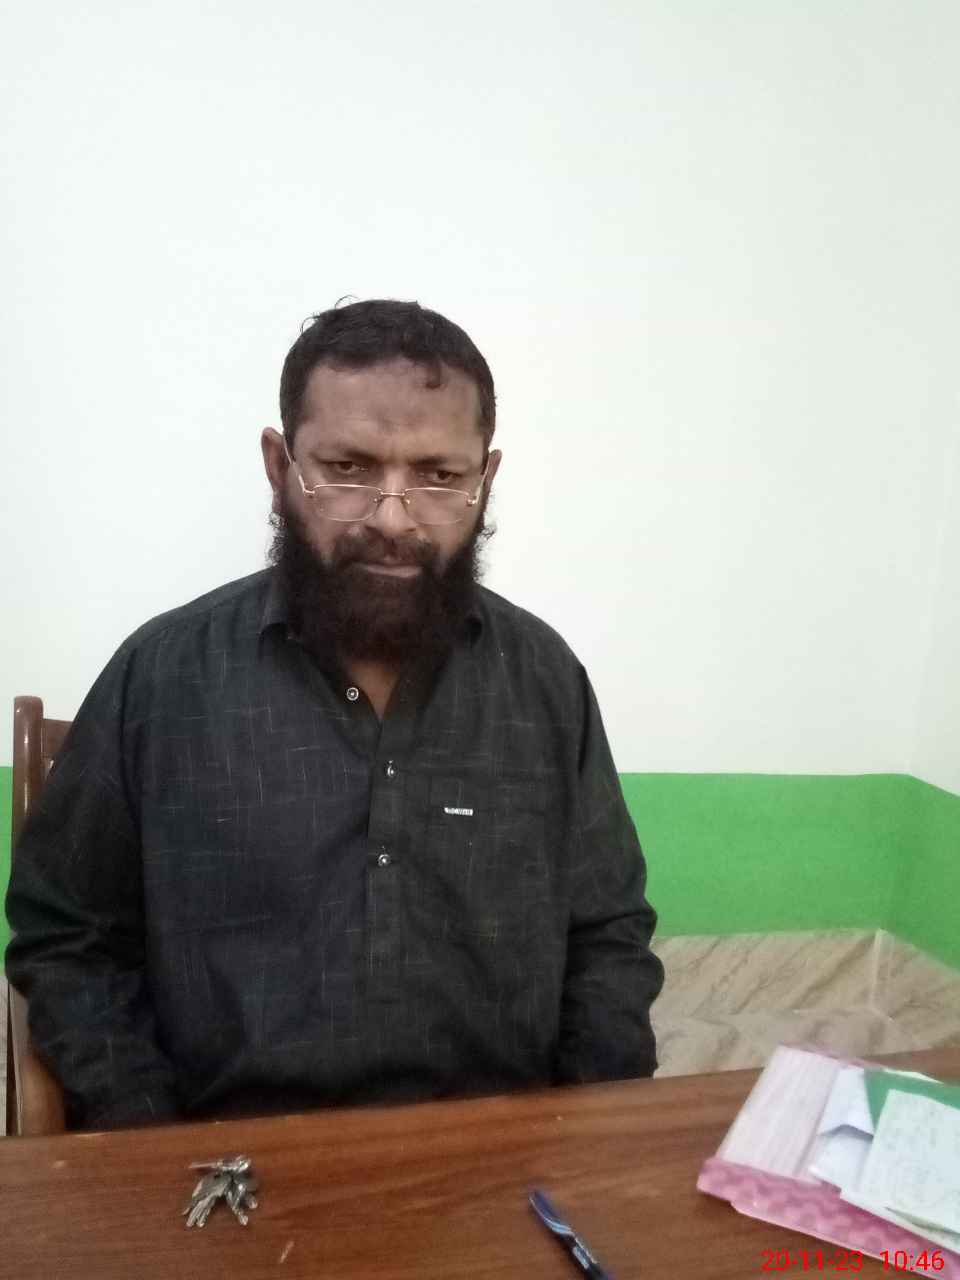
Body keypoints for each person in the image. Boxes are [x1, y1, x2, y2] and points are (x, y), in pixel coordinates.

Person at [5, 299, 664, 1130]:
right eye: (348, 468)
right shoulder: (162, 677)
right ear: (279, 465)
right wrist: (149, 1140)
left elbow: (607, 936)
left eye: (438, 476)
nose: (392, 517)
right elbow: (68, 937)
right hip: (225, 1166)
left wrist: (578, 1138)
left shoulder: (544, 683)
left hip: (501, 1163)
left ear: (484, 480)